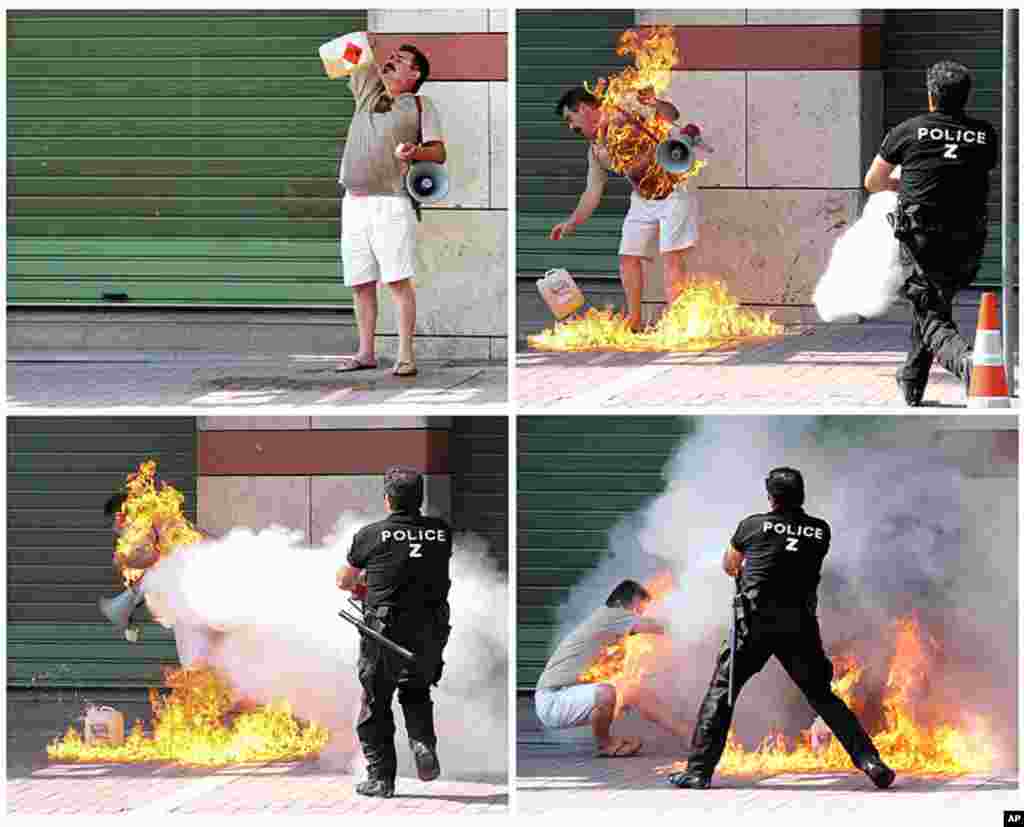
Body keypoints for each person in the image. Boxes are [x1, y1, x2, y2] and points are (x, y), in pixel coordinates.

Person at [669, 468, 895, 790]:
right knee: (822, 696)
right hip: (799, 627)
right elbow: (799, 558)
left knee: (723, 691)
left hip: (755, 625)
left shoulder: (751, 525)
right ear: (802, 495)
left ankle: (697, 772)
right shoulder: (820, 530)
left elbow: (729, 565)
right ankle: (871, 762)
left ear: (771, 497)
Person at [864, 60, 997, 407]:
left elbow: (873, 182)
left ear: (930, 95)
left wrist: (902, 183)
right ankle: (912, 382)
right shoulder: (984, 133)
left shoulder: (909, 130)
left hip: (923, 241)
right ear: (966, 96)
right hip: (968, 242)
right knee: (932, 305)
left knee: (932, 312)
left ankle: (970, 365)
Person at [336, 467, 454, 798]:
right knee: (415, 692)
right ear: (421, 499)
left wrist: (365, 585)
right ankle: (422, 745)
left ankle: (381, 779)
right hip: (431, 629)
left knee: (376, 701)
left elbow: (344, 581)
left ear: (388, 500)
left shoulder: (371, 534)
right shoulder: (441, 532)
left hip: (384, 631)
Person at [336, 38, 446, 378]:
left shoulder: (421, 105)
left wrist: (414, 152)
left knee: (397, 281)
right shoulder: (368, 93)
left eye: (399, 60)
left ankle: (405, 356)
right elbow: (347, 53)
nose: (390, 62)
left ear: (414, 74)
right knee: (360, 284)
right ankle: (366, 353)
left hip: (391, 204)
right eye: (391, 57)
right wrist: (359, 46)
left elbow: (438, 153)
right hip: (353, 203)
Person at [551, 85, 700, 332]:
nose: (571, 127)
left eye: (571, 119)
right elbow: (592, 191)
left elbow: (672, 115)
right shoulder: (596, 151)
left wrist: (655, 103)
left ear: (585, 109)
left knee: (671, 258)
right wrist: (572, 223)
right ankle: (634, 322)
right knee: (628, 257)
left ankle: (679, 323)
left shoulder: (625, 109)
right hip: (642, 200)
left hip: (672, 193)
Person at [534, 579, 691, 757]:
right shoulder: (611, 614)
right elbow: (658, 627)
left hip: (569, 695)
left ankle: (688, 734)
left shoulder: (609, 624)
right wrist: (691, 624)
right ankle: (605, 745)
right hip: (553, 699)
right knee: (606, 693)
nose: (638, 616)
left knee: (634, 691)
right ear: (619, 604)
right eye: (637, 610)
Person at [102, 490, 222, 669]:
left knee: (196, 662)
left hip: (197, 592)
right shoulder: (163, 517)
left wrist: (124, 559)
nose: (116, 530)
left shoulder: (143, 524)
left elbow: (151, 559)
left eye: (115, 524)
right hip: (216, 583)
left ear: (122, 515)